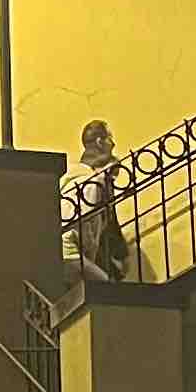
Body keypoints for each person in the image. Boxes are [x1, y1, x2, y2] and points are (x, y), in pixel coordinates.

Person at [66, 118, 140, 282]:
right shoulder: (94, 183)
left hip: (74, 252)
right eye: (109, 138)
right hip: (72, 252)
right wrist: (121, 254)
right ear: (100, 141)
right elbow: (103, 225)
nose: (113, 143)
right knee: (106, 287)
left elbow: (103, 226)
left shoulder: (75, 179)